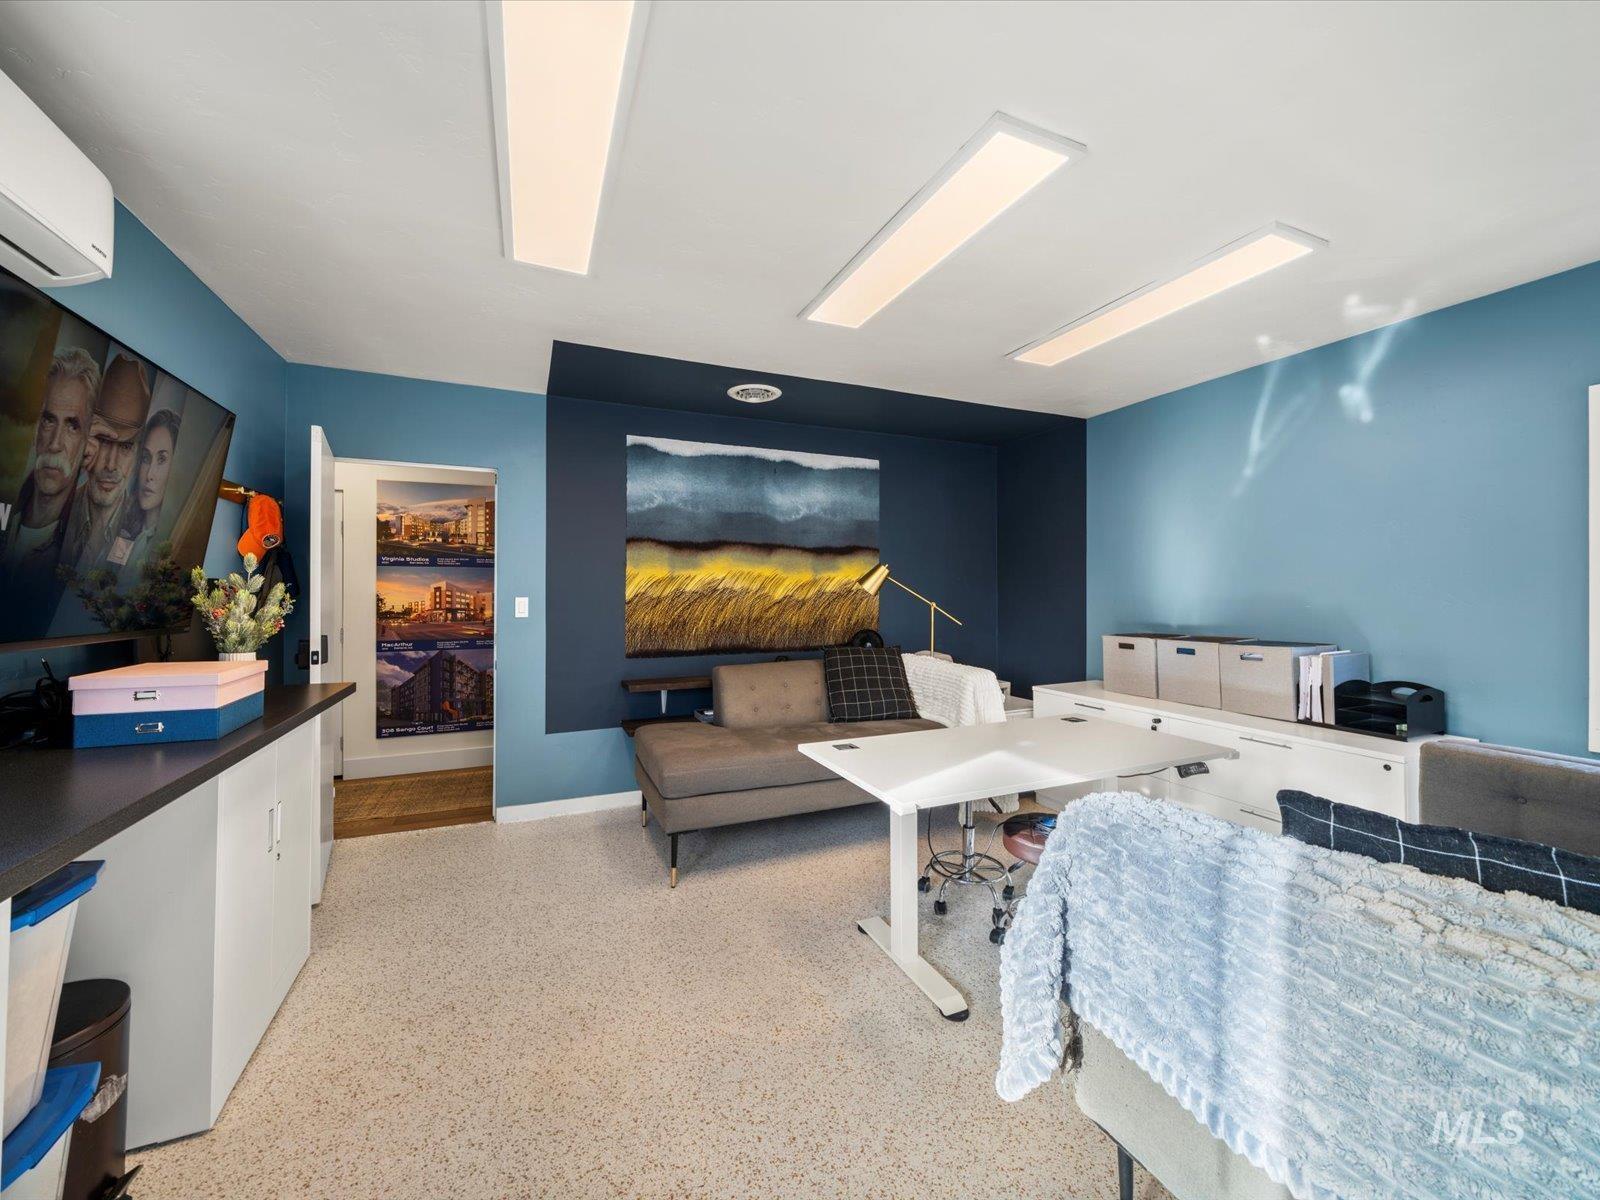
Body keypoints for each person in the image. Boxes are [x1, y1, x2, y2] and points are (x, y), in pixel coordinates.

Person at [0, 347, 99, 594]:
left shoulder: (82, 551)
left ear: (88, 441)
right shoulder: (4, 509)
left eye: (72, 426)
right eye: (48, 419)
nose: (55, 443)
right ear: (36, 429)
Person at [60, 353, 152, 573]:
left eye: (126, 447)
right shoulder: (56, 510)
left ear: (138, 455)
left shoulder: (142, 534)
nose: (111, 465)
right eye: (103, 440)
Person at [107, 408, 180, 578]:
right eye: (146, 458)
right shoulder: (126, 525)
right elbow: (105, 584)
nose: (149, 475)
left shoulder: (171, 540)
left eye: (161, 459)